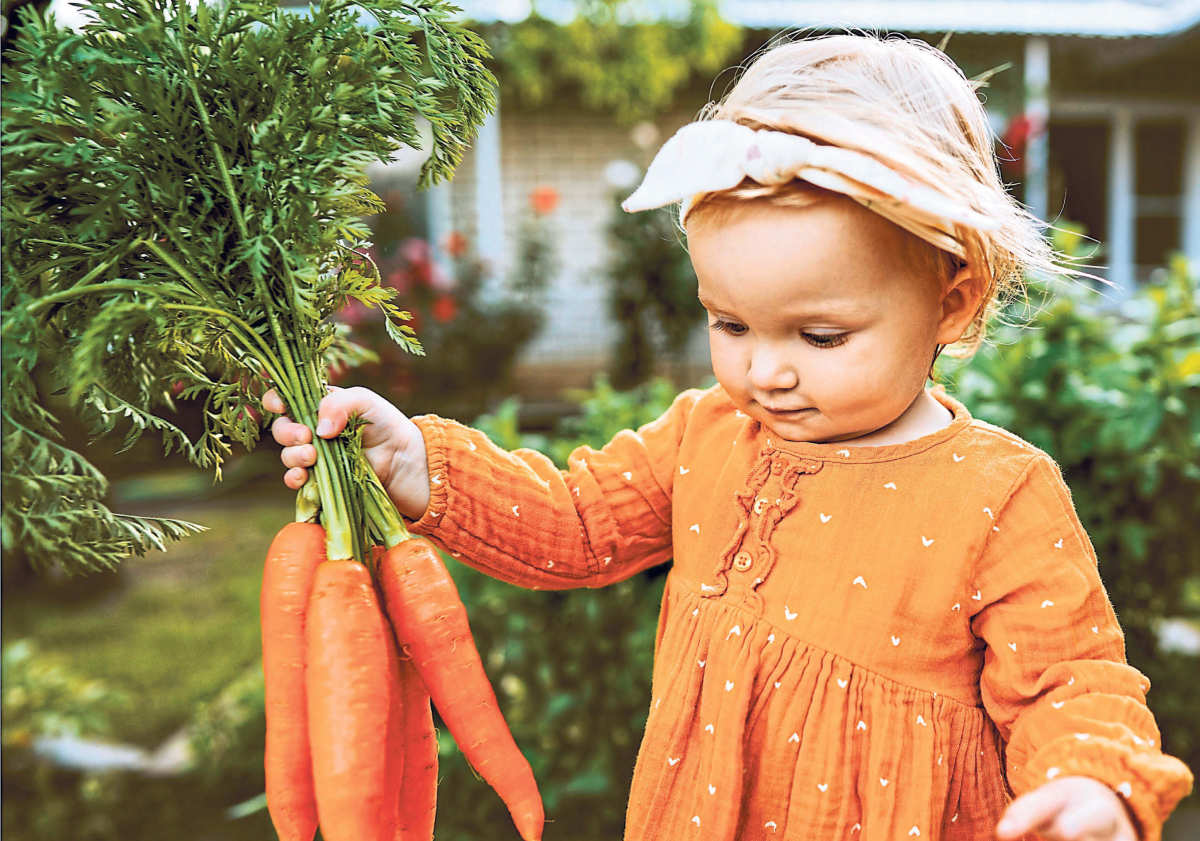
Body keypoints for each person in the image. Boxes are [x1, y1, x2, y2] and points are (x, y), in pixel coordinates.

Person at [264, 33, 1193, 841]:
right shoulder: (709, 433)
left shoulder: (999, 493)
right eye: (731, 324)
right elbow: (578, 522)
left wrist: (1089, 780)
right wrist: (418, 464)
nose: (765, 371)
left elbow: (1072, 679)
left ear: (952, 300)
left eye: (819, 335)